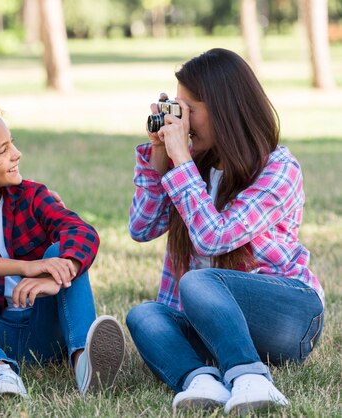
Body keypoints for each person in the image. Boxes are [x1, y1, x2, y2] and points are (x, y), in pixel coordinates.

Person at [126, 48, 325, 414]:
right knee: (144, 315)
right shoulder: (192, 168)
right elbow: (141, 228)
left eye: (189, 108)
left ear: (223, 109)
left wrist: (181, 163)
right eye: (175, 106)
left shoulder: (278, 169)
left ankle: (251, 379)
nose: (180, 119)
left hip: (289, 316)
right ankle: (201, 381)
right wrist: (160, 162)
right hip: (212, 323)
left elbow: (213, 237)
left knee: (198, 283)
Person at [0, 104, 125, 401]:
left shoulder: (30, 195)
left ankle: (85, 362)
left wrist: (59, 274)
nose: (16, 154)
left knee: (64, 254)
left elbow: (81, 231)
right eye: (3, 150)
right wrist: (25, 267)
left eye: (12, 143)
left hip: (42, 331)